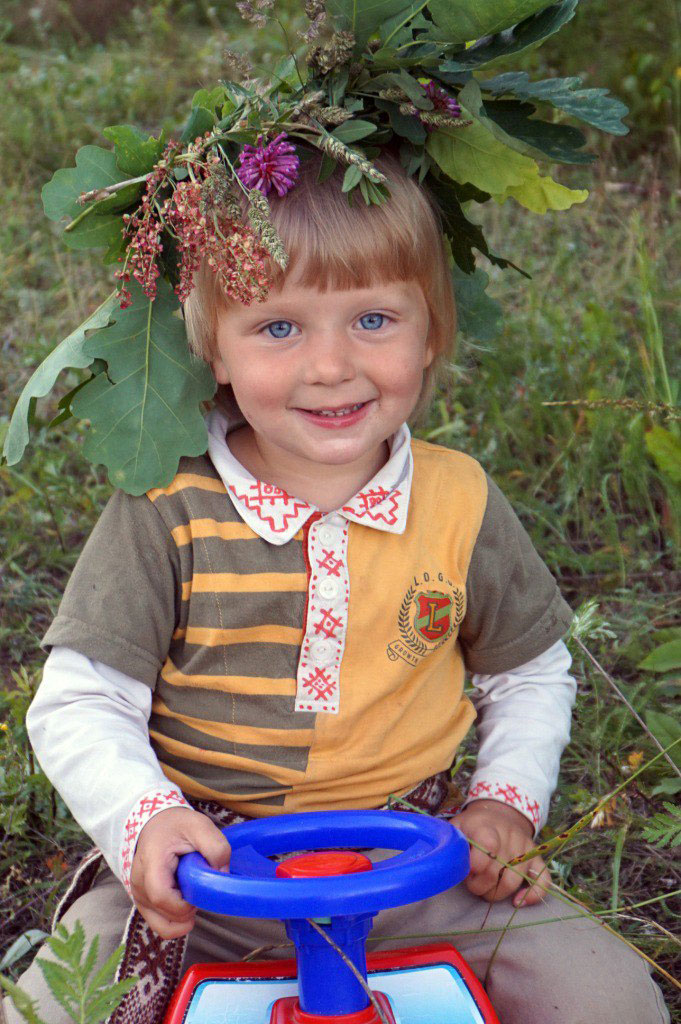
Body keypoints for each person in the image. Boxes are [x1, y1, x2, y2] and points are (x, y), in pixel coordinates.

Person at [3, 155, 669, 1024]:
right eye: (278, 329)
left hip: (419, 868)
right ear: (211, 345)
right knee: (50, 1011)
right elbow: (79, 699)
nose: (330, 365)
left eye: (373, 318)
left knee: (610, 1000)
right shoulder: (165, 506)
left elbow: (531, 670)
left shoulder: (457, 499)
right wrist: (146, 823)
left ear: (431, 331)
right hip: (205, 882)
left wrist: (503, 802)